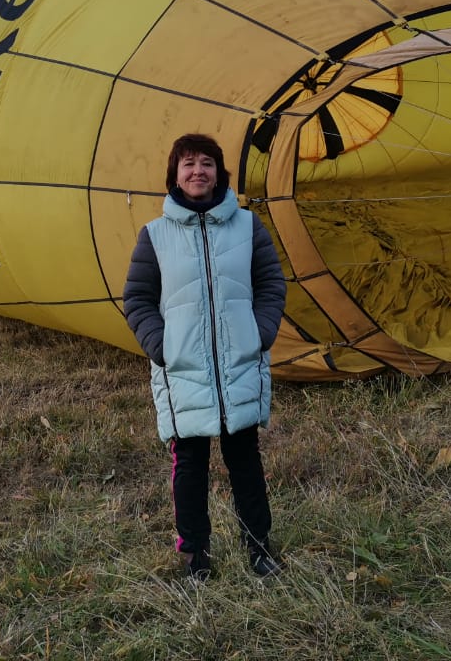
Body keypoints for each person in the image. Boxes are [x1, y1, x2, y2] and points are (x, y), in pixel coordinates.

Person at [123, 133, 288, 581]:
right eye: (189, 164)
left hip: (238, 364)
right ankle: (196, 556)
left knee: (246, 461)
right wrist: (161, 347)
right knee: (189, 465)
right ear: (175, 175)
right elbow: (137, 299)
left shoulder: (248, 227)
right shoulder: (155, 236)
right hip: (183, 371)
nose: (199, 171)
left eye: (208, 164)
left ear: (220, 173)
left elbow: (271, 285)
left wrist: (260, 332)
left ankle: (259, 548)